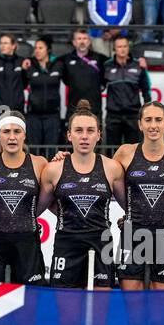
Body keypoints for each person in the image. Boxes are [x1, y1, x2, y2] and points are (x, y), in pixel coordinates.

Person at [37, 100, 126, 289]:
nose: (84, 136)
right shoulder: (54, 169)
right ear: (69, 135)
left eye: (90, 131)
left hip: (101, 242)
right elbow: (35, 209)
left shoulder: (112, 168)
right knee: (67, 311)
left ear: (98, 135)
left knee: (100, 311)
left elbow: (132, 206)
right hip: (67, 242)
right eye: (78, 131)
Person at [112, 102, 164, 290]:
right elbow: (103, 175)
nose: (153, 125)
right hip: (132, 235)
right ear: (140, 124)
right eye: (148, 120)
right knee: (133, 306)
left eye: (158, 120)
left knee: (162, 310)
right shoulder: (125, 153)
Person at [0, 110, 48, 283]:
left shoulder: (39, 163)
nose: (12, 137)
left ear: (24, 135)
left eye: (17, 132)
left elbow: (50, 198)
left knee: (31, 300)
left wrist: (28, 216)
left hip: (27, 243)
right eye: (6, 132)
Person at [101, 36, 150, 148]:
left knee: (134, 150)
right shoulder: (107, 66)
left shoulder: (138, 65)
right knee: (112, 152)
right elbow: (99, 86)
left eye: (125, 46)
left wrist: (147, 111)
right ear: (114, 48)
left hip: (133, 115)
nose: (122, 49)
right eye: (119, 46)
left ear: (128, 48)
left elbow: (146, 89)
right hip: (113, 115)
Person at [24, 38, 63, 149]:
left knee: (51, 151)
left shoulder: (58, 64)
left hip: (52, 115)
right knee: (34, 151)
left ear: (48, 50)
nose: (37, 50)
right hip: (33, 115)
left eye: (40, 48)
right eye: (35, 48)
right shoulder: (29, 65)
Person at [60, 29, 103, 117]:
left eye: (85, 38)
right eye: (79, 39)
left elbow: (104, 79)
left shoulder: (100, 59)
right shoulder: (65, 59)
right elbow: (65, 80)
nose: (82, 41)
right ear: (74, 42)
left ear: (89, 41)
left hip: (94, 108)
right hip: (74, 108)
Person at [0, 33, 27, 117]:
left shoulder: (21, 61)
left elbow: (25, 83)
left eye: (5, 43)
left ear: (13, 46)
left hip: (18, 109)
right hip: (0, 108)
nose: (2, 46)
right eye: (1, 43)